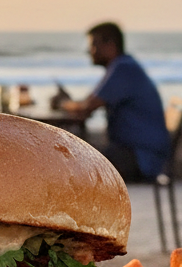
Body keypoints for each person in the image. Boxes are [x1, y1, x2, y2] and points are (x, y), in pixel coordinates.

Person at [51, 22, 169, 182]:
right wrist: (69, 102)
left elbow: (85, 108)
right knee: (70, 160)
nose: (89, 51)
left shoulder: (123, 69)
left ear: (110, 44)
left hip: (141, 158)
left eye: (93, 45)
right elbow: (89, 103)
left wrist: (63, 103)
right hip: (137, 153)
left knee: (67, 165)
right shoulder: (122, 67)